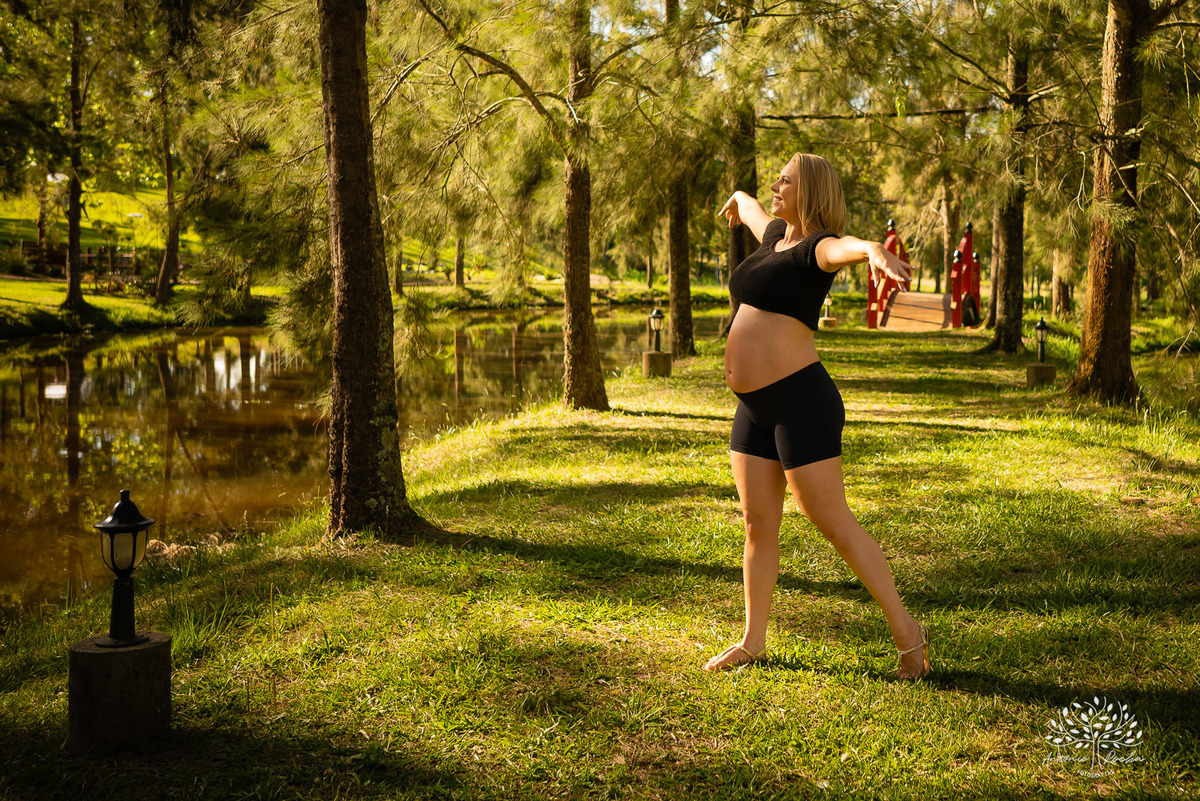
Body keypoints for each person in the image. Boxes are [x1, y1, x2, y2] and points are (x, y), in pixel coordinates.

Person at [704, 153, 930, 679]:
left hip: (800, 403)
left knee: (831, 521)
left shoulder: (816, 248)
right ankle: (752, 642)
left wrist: (874, 250)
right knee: (757, 523)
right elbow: (755, 209)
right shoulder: (775, 236)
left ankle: (908, 634)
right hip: (754, 407)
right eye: (777, 177)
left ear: (811, 191)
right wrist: (739, 200)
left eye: (787, 179)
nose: (777, 184)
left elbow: (844, 249)